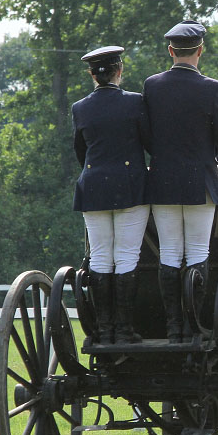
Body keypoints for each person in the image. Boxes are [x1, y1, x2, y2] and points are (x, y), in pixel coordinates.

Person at [143, 20, 218, 342]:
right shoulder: (212, 88)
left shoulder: (152, 85)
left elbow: (147, 136)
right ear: (200, 51)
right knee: (199, 251)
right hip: (200, 181)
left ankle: (174, 327)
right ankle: (193, 326)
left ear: (171, 51)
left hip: (162, 181)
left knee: (171, 253)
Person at [72, 45, 151, 344]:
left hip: (93, 186)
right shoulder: (135, 102)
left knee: (101, 256)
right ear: (120, 70)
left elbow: (81, 151)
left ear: (92, 74)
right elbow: (148, 142)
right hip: (130, 185)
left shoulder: (80, 108)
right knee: (127, 256)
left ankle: (104, 330)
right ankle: (124, 329)